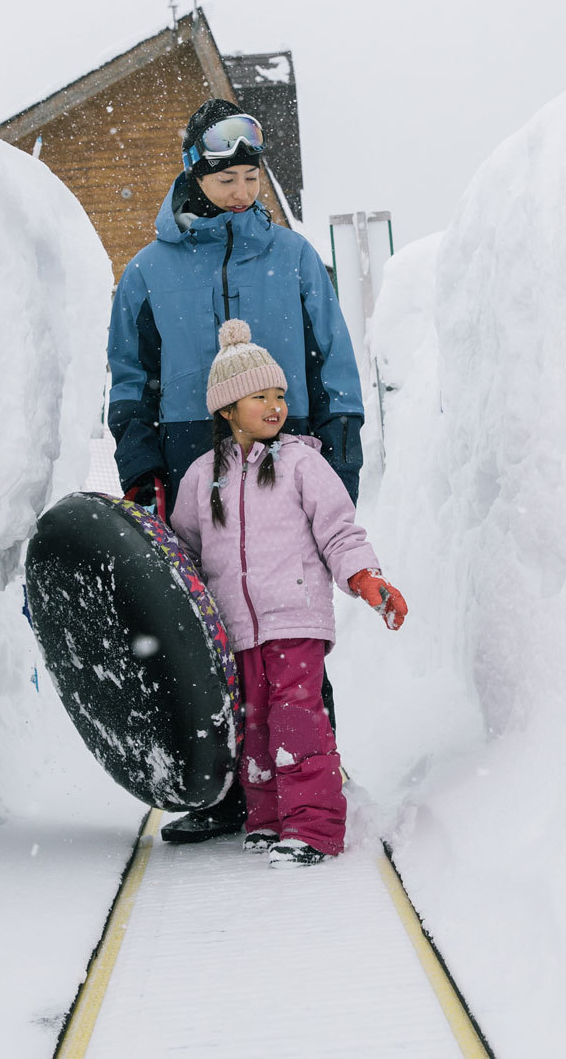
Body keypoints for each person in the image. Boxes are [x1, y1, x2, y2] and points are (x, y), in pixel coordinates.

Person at [108, 99, 370, 844]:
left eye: (252, 179)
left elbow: (332, 358)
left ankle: (311, 775)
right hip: (193, 462)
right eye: (227, 180)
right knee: (209, 635)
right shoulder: (147, 273)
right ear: (195, 174)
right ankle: (227, 790)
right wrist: (143, 468)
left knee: (288, 622)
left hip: (291, 453)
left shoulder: (292, 258)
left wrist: (339, 456)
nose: (242, 193)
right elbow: (130, 381)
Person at [169, 320, 407, 867]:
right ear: (228, 408)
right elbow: (184, 553)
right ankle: (269, 818)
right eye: (261, 396)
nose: (275, 406)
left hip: (295, 621)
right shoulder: (202, 477)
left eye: (280, 395)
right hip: (236, 630)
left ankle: (314, 827)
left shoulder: (302, 463)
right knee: (252, 730)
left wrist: (365, 578)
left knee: (296, 724)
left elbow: (339, 532)